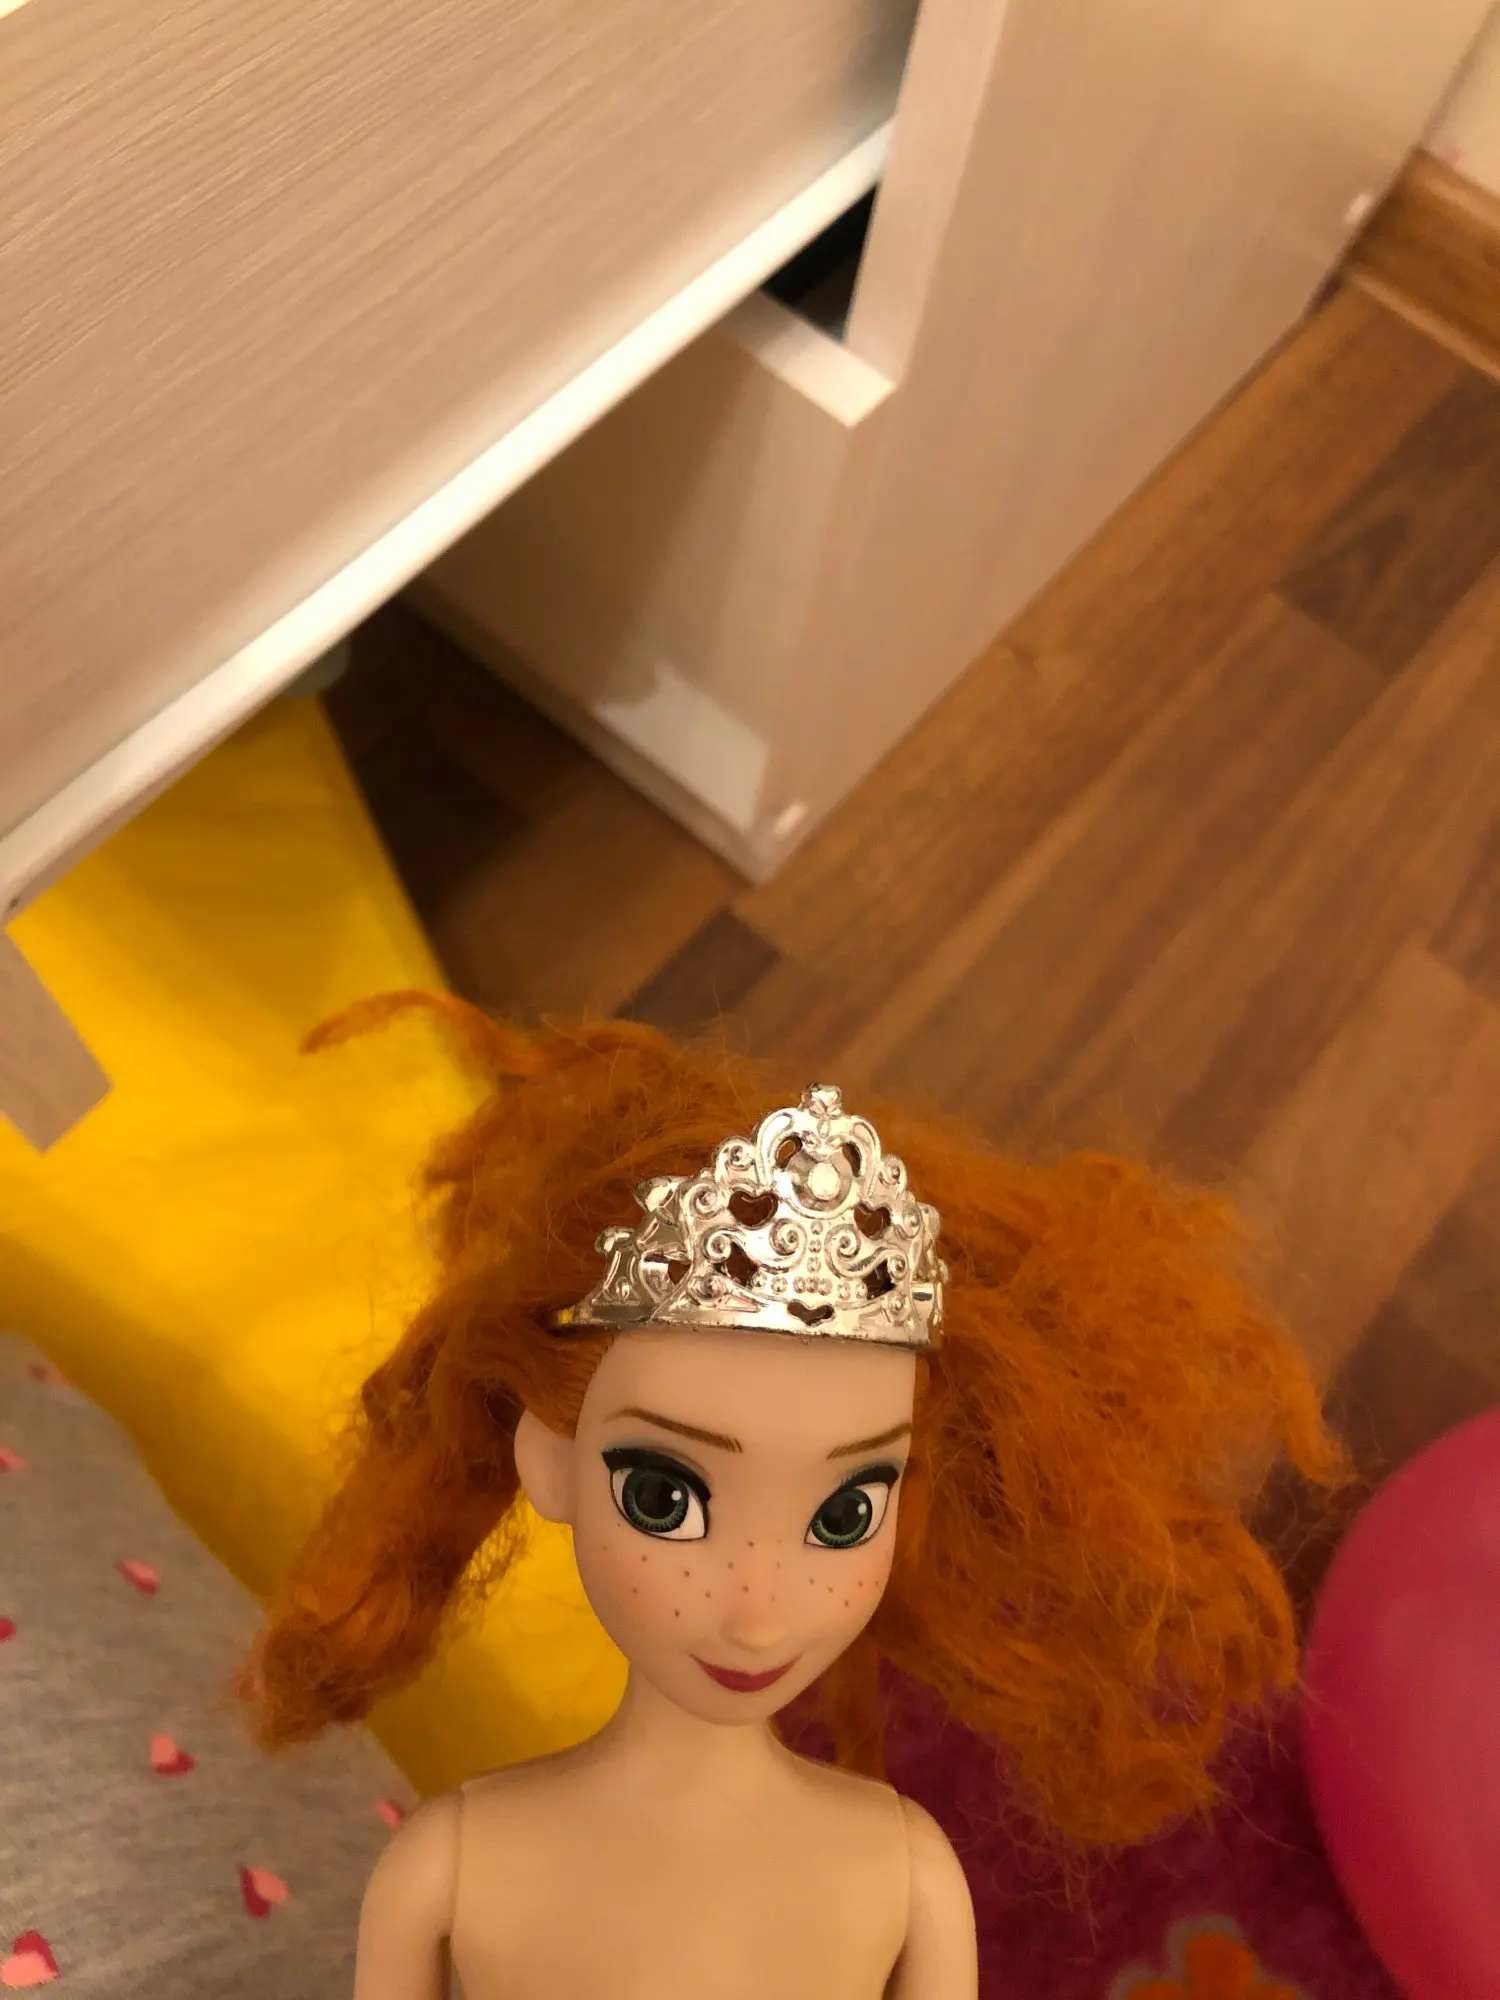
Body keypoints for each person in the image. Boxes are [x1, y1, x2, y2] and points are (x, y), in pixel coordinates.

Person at [240, 998, 1343, 1999]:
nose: (759, 1611)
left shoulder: (908, 1880)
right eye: (667, 1496)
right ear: (551, 1459)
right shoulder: (446, 1869)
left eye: (843, 1515)